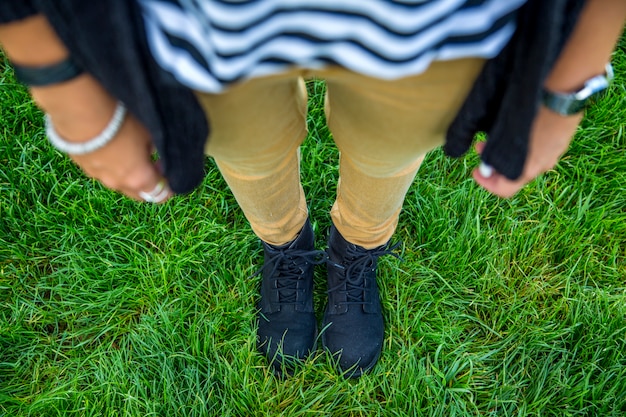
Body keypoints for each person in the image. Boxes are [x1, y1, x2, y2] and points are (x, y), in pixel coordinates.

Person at [1, 0, 624, 378]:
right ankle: (286, 248)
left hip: (436, 28)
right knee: (247, 153)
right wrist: (64, 91)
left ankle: (355, 251)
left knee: (388, 155)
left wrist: (572, 80)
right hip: (199, 25)